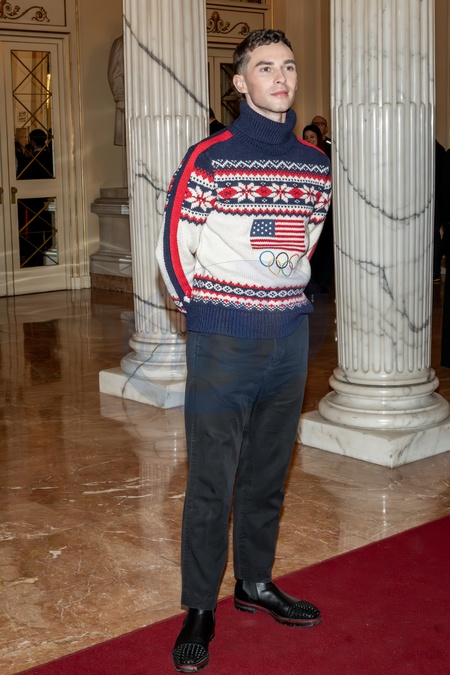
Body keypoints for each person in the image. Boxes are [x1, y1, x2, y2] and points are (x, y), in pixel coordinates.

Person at [156, 29, 331, 673]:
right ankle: (199, 607)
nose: (280, 77)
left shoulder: (314, 164)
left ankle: (254, 582)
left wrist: (279, 290)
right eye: (264, 67)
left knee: (267, 473)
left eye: (288, 66)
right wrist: (200, 310)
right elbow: (173, 244)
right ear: (240, 83)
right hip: (223, 338)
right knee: (211, 480)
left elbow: (304, 240)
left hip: (289, 335)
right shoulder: (210, 157)